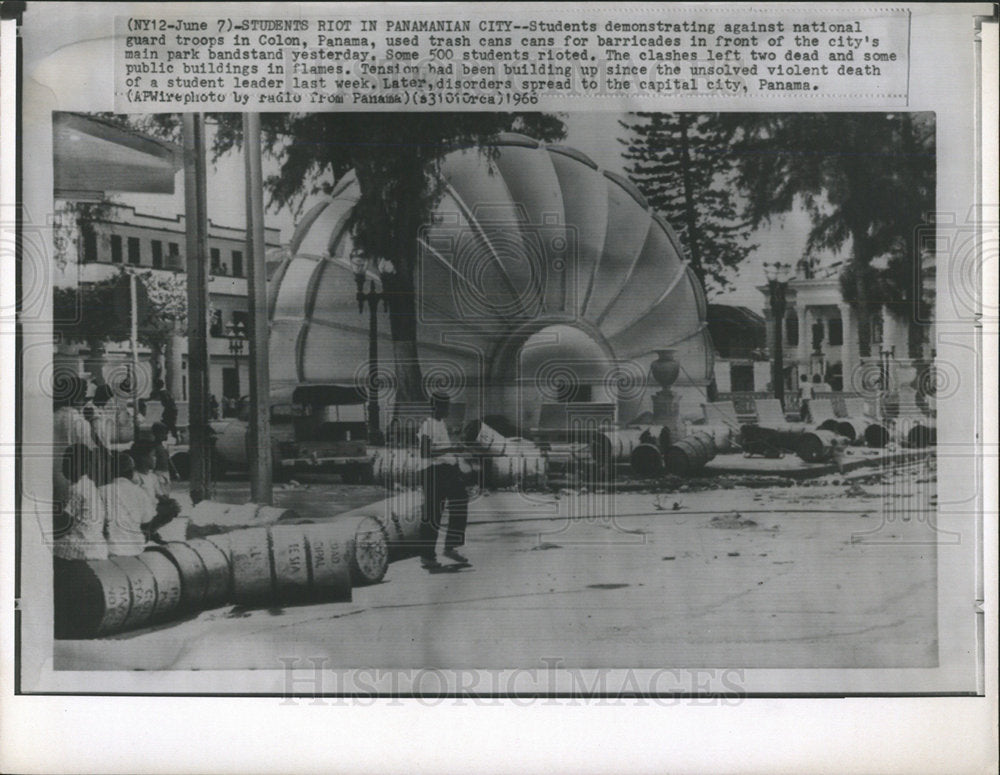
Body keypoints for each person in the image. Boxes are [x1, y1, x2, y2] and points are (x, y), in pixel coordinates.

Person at [418, 393, 471, 570]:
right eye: (445, 406)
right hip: (433, 472)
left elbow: (442, 449)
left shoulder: (440, 423)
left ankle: (450, 547)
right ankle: (427, 556)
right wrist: (451, 448)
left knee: (460, 501)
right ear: (436, 407)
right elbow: (425, 452)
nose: (448, 410)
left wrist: (455, 460)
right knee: (433, 513)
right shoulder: (427, 425)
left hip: (447, 470)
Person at [52, 444, 107, 562]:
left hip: (83, 547)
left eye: (67, 463)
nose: (64, 467)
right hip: (97, 545)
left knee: (43, 545)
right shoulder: (89, 485)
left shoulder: (77, 488)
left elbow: (65, 523)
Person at [101, 451, 155, 557]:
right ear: (132, 473)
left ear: (110, 472)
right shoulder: (140, 492)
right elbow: (147, 522)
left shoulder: (101, 491)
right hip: (136, 548)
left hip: (110, 550)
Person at [53, 375, 95, 507]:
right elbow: (88, 453)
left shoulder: (51, 416)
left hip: (49, 475)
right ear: (77, 397)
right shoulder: (80, 422)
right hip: (73, 478)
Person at [150, 422, 175, 490]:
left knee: (166, 490)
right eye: (164, 433)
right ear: (157, 434)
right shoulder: (154, 447)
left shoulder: (163, 446)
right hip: (158, 472)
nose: (166, 436)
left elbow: (168, 458)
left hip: (165, 472)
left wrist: (175, 471)